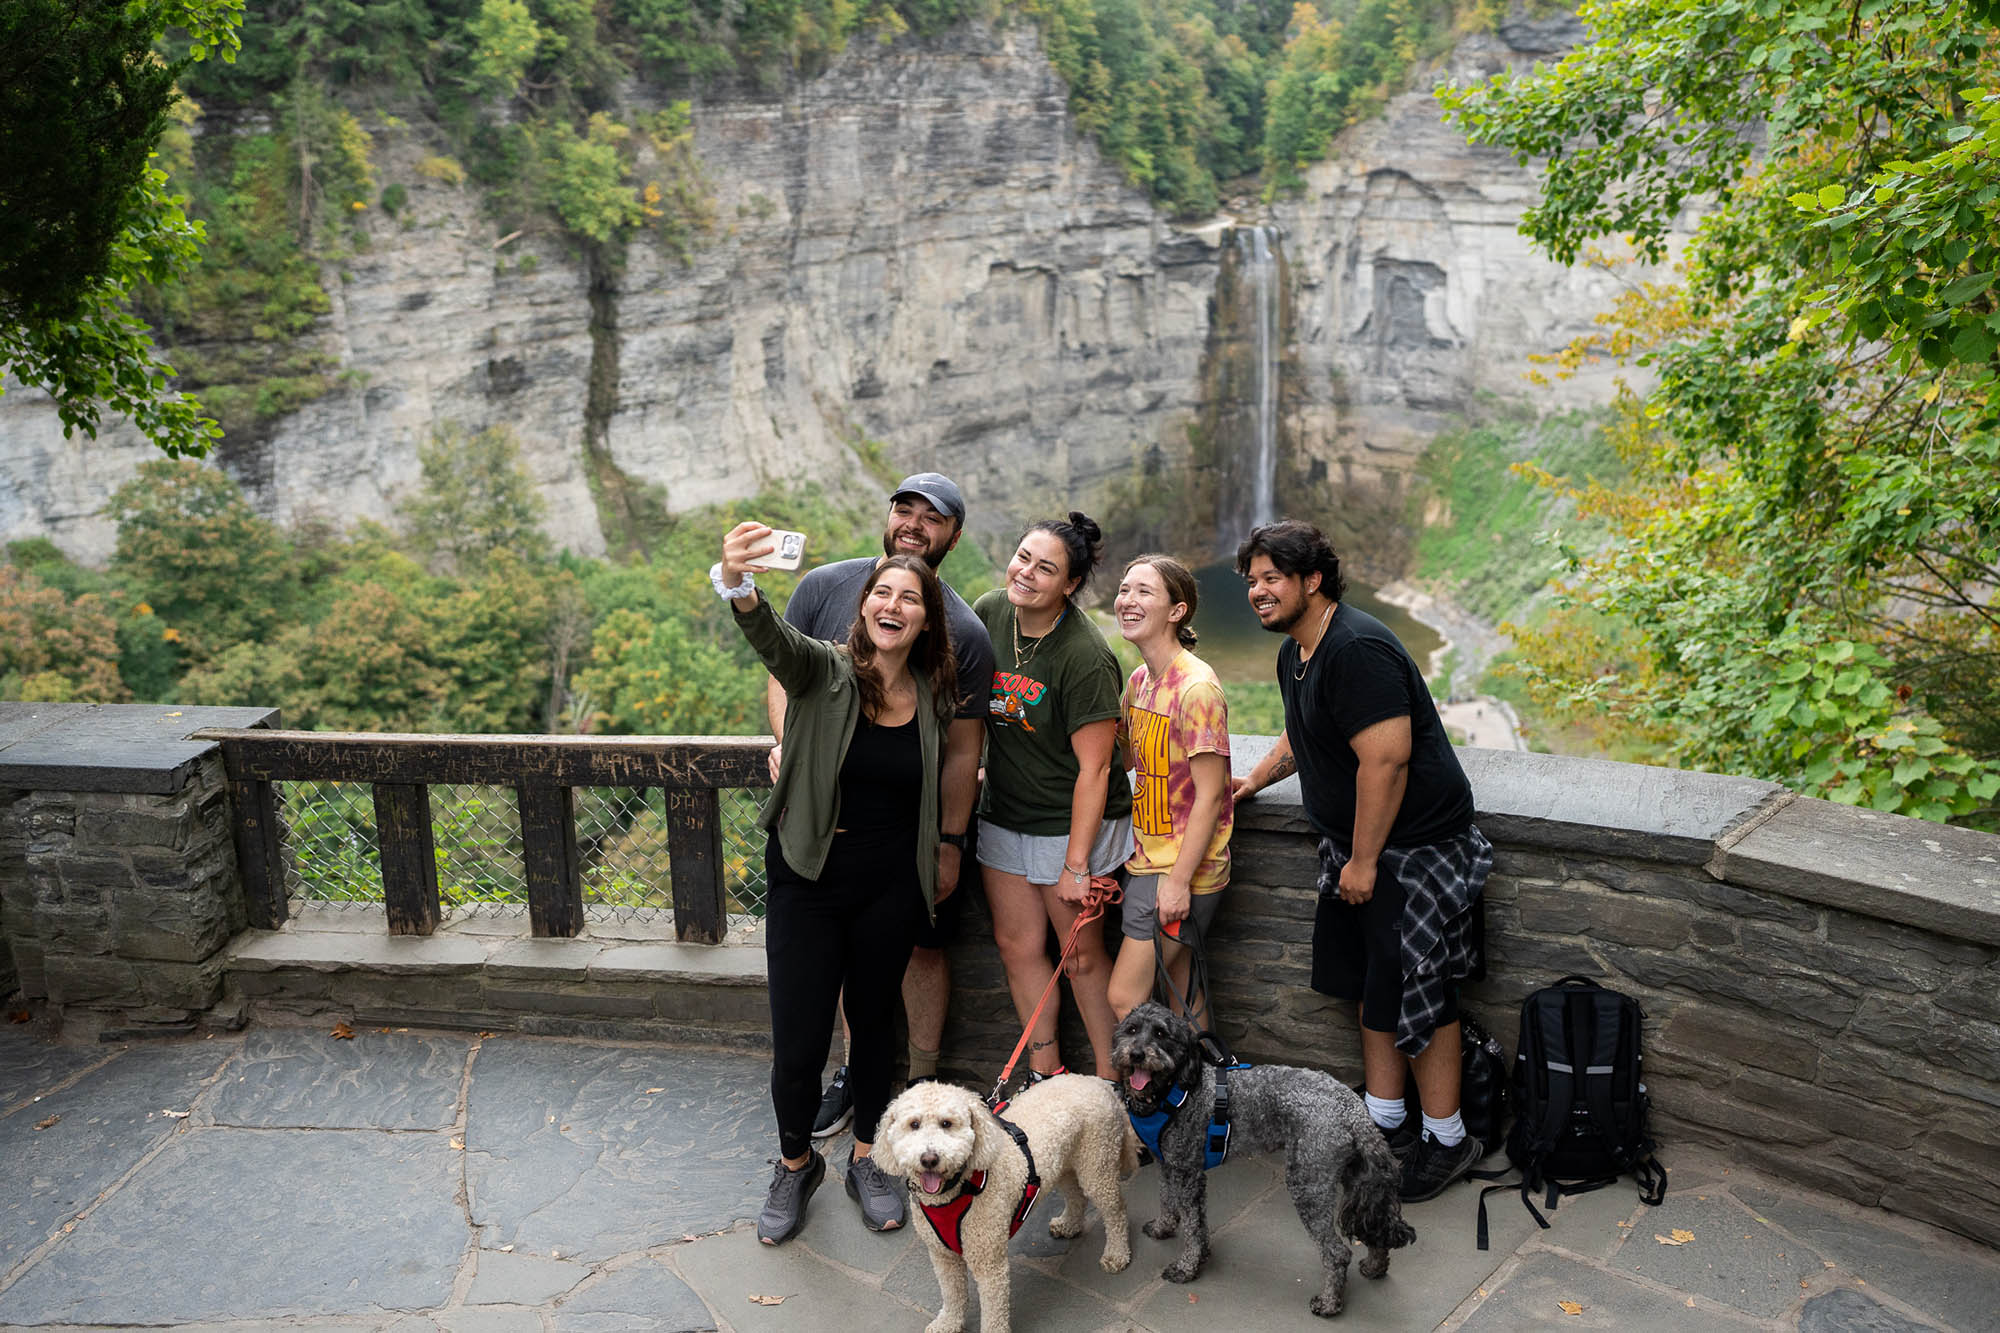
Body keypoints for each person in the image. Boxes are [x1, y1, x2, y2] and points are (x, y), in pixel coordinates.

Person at [1228, 520, 1494, 1204]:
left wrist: (1366, 859)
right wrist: (1254, 780)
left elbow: (1387, 759)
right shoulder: (1299, 650)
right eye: (1252, 580)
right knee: (1373, 987)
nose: (1258, 591)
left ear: (1313, 580)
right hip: (1358, 849)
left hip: (1414, 850)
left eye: (1272, 578)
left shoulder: (1357, 648)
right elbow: (1304, 732)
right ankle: (1387, 1122)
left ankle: (1448, 1137)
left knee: (1421, 991)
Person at [716, 522, 960, 1245]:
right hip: (809, 879)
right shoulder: (823, 670)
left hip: (890, 885)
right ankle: (796, 1164)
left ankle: (867, 1160)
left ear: (926, 618)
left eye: (909, 597)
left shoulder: (932, 694)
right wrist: (739, 583)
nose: (893, 604)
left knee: (875, 1031)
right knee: (798, 1040)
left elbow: (937, 782)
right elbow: (770, 640)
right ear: (864, 606)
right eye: (882, 593)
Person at [764, 474, 994, 1139]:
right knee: (834, 963)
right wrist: (797, 751)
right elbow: (784, 675)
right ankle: (849, 1081)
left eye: (933, 516)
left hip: (904, 840)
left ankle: (920, 1080)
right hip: (820, 836)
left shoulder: (965, 633)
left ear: (954, 535)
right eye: (905, 508)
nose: (914, 523)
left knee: (922, 949)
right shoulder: (823, 587)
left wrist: (949, 843)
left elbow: (963, 751)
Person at [974, 512, 1133, 1082]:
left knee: (1081, 957)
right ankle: (1047, 1076)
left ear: (1070, 584)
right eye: (1023, 557)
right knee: (1017, 946)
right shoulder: (991, 613)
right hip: (1005, 814)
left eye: (1046, 569)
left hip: (1071, 824)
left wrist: (1077, 865)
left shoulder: (1084, 654)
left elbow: (1096, 768)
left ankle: (1114, 1086)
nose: (1027, 573)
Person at [1105, 554, 1233, 1026]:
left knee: (1124, 997)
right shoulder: (1139, 682)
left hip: (1178, 871)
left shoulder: (1196, 689)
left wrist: (1178, 883)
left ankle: (1164, 1078)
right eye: (1124, 589)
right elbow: (1125, 760)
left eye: (1144, 592)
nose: (1128, 600)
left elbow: (1211, 796)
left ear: (1177, 611)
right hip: (1148, 858)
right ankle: (1204, 1074)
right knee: (1184, 994)